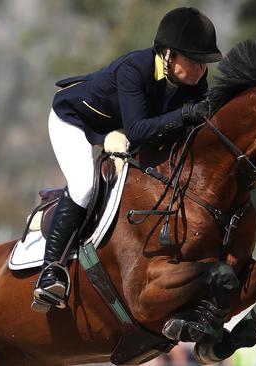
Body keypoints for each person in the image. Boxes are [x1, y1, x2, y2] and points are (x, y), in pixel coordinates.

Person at [31, 7, 222, 312]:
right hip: (74, 121)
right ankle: (50, 270)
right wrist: (185, 115)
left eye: (205, 61)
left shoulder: (194, 81)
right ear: (169, 54)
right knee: (84, 187)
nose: (201, 68)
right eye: (195, 59)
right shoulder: (135, 68)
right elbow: (137, 130)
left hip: (116, 129)